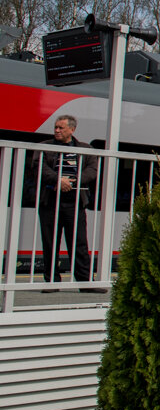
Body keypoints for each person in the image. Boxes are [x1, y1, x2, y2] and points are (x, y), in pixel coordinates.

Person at [36, 115, 100, 291]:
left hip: (75, 202)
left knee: (79, 243)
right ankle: (52, 283)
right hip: (50, 201)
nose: (56, 130)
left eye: (61, 128)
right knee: (50, 243)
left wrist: (73, 181)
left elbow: (92, 170)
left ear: (72, 130)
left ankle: (86, 283)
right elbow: (39, 166)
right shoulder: (44, 147)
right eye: (55, 127)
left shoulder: (86, 149)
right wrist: (58, 179)